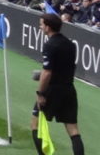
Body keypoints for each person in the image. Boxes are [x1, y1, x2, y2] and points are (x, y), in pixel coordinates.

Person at [35, 13, 85, 155]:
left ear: (48, 27)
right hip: (68, 89)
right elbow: (64, 66)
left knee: (36, 124)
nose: (40, 27)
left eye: (41, 24)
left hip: (52, 90)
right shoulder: (69, 44)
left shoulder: (50, 45)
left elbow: (47, 72)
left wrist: (41, 94)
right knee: (73, 130)